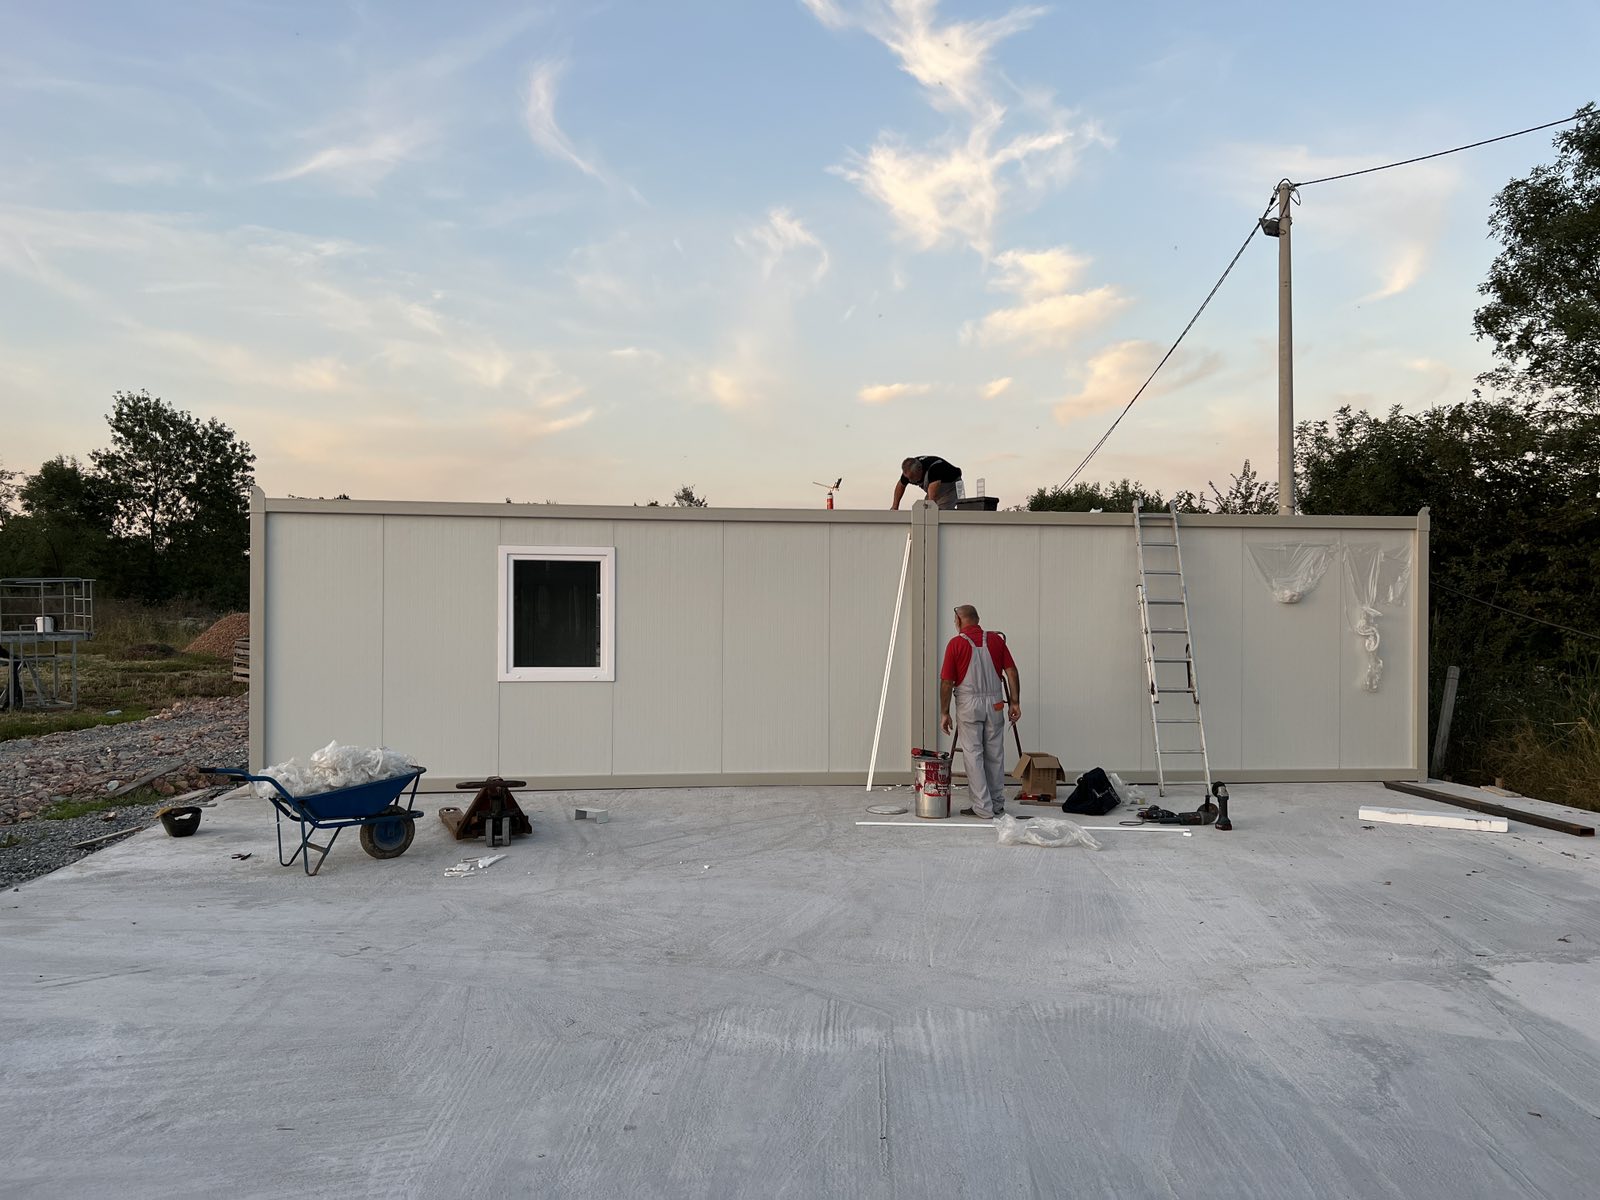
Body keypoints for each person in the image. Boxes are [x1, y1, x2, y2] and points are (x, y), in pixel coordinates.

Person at [939, 605, 1023, 820]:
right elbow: (1011, 672)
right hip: (995, 703)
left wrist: (944, 712)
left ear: (959, 620)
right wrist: (1015, 702)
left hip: (969, 705)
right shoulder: (996, 640)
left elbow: (947, 682)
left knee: (973, 754)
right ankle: (997, 805)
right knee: (995, 753)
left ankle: (982, 808)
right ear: (977, 619)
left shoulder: (956, 644)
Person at [891, 455, 962, 510]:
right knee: (924, 510)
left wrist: (931, 509)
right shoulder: (909, 470)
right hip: (934, 486)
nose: (910, 480)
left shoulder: (934, 470)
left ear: (920, 471)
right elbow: (901, 485)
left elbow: (932, 497)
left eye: (912, 477)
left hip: (951, 484)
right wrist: (895, 507)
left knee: (940, 511)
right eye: (908, 478)